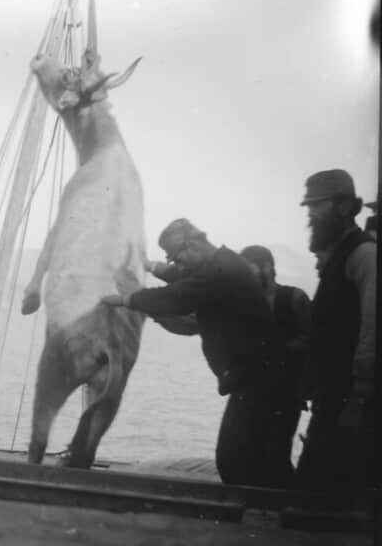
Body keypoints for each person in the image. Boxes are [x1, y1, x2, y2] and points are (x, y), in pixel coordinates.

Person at [101, 218, 293, 488]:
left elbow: (177, 296)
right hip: (257, 377)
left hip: (258, 380)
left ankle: (263, 520)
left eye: (176, 257)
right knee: (253, 458)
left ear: (190, 245)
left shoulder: (221, 271)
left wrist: (126, 300)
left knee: (235, 458)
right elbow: (185, 277)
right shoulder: (223, 263)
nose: (177, 264)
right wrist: (147, 265)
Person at [295, 169, 376, 491]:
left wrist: (359, 400)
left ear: (343, 207)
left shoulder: (364, 255)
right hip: (334, 399)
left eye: (317, 206)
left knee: (327, 490)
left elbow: (373, 331)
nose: (310, 215)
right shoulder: (339, 257)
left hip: (352, 404)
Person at [239, 245, 312, 474]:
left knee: (276, 453)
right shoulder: (245, 303)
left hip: (286, 392)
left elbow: (312, 341)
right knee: (244, 452)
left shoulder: (294, 297)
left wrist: (276, 350)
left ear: (267, 267)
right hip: (252, 390)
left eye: (248, 270)